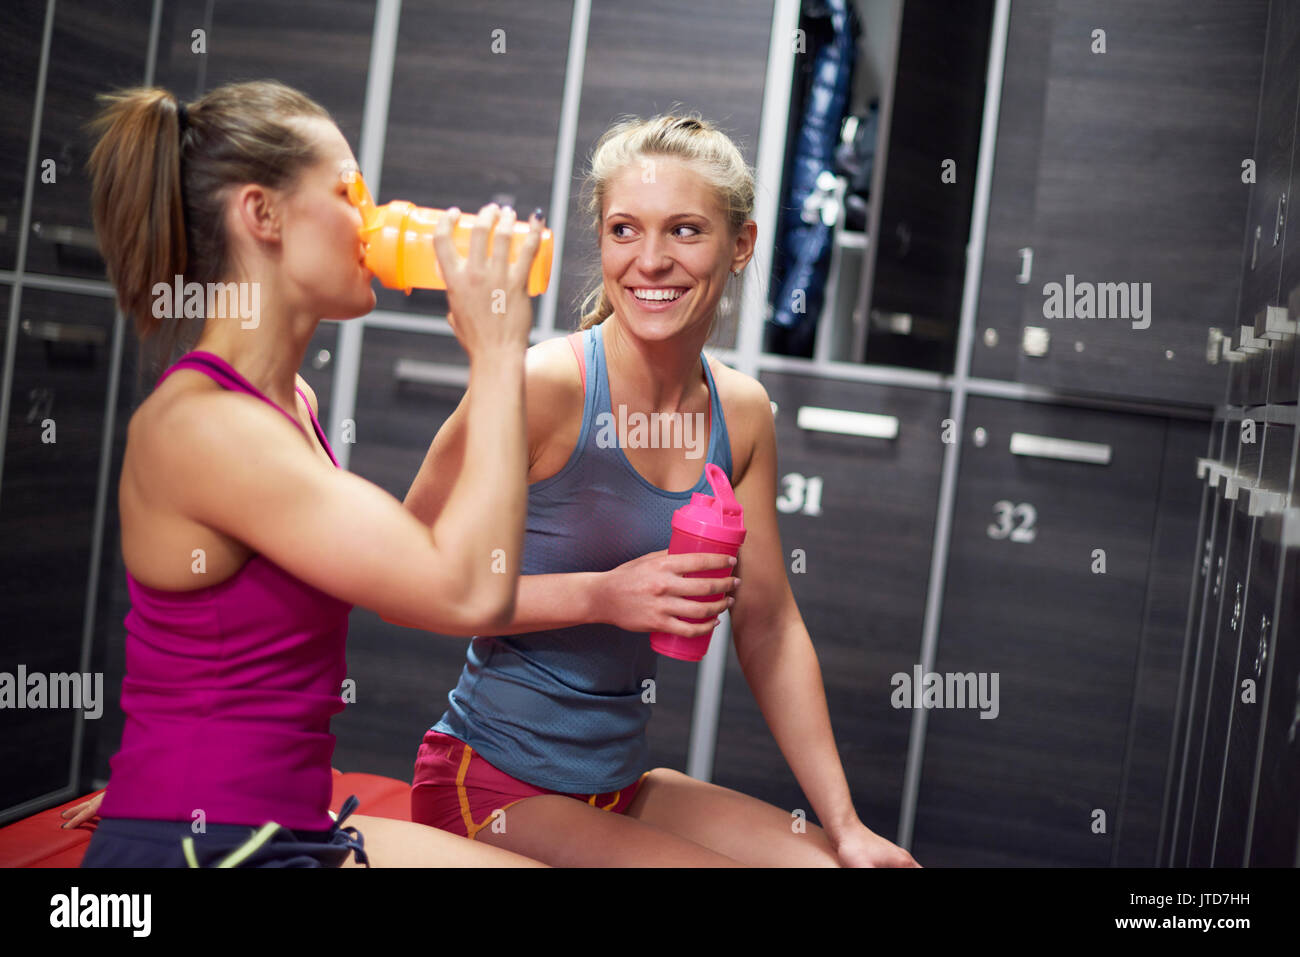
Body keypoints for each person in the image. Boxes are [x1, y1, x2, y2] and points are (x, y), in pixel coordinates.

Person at [403, 113, 921, 867]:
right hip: (490, 786)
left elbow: (769, 627)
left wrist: (845, 826)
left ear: (740, 244)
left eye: (684, 230)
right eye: (624, 230)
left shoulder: (741, 413)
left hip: (616, 783)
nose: (650, 261)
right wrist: (603, 595)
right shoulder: (545, 387)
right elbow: (407, 573)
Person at [66, 79, 546, 867]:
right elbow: (471, 589)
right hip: (209, 847)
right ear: (262, 214)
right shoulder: (206, 427)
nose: (372, 216)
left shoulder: (290, 402)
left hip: (275, 823)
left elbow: (420, 557)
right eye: (349, 191)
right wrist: (497, 358)